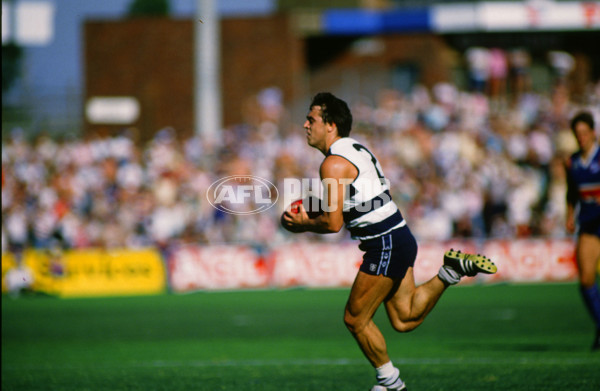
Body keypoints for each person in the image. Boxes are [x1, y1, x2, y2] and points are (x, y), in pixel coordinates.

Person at [282, 92, 497, 390]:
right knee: (404, 318)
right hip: (399, 236)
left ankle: (392, 384)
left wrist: (304, 223)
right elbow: (358, 201)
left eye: (311, 119)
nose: (305, 125)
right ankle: (451, 271)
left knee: (355, 319)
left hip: (384, 242)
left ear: (331, 125)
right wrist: (316, 208)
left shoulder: (333, 164)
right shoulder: (356, 149)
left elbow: (333, 224)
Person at [565, 111, 600, 351]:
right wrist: (569, 214)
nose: (581, 138)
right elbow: (571, 192)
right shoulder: (573, 162)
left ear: (593, 132)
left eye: (584, 133)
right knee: (586, 279)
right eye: (577, 134)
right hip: (589, 226)